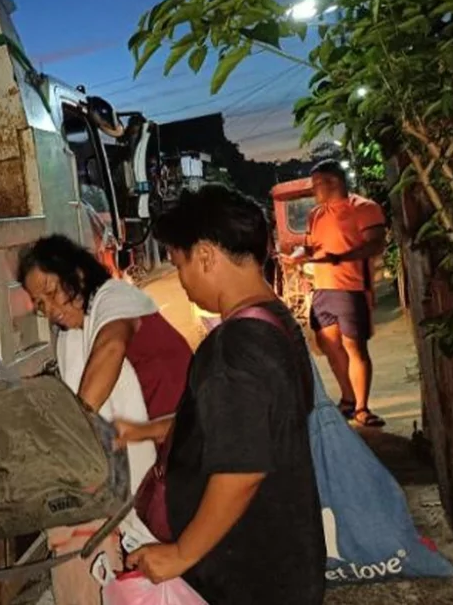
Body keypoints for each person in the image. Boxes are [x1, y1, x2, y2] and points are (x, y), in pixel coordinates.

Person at [122, 185, 324, 605]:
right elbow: (244, 421)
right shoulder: (275, 320)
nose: (181, 281)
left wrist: (180, 554)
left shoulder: (235, 346)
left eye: (179, 265)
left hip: (245, 569)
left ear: (207, 256)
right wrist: (151, 430)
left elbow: (240, 469)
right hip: (281, 554)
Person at [18, 235, 192, 604]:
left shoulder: (115, 298)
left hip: (181, 441)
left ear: (77, 275)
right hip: (154, 450)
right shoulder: (71, 336)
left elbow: (110, 348)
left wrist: (76, 431)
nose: (49, 310)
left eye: (51, 291)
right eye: (39, 304)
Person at [282, 159, 387, 427]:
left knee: (354, 347)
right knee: (330, 347)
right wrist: (295, 257)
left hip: (351, 287)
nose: (313, 190)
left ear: (334, 182)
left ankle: (363, 407)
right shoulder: (316, 215)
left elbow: (375, 245)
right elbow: (308, 247)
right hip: (322, 288)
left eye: (317, 184)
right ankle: (348, 399)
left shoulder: (364, 208)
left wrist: (338, 258)